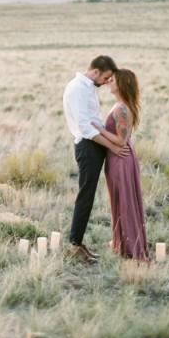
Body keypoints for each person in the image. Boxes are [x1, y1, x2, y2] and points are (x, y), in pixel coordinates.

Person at [62, 55, 129, 264]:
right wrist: (113, 147)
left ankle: (78, 243)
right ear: (96, 72)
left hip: (95, 146)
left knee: (89, 196)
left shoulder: (87, 87)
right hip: (88, 147)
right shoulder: (78, 89)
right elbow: (85, 127)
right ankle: (74, 245)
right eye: (106, 77)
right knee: (86, 195)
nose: (107, 82)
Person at [91, 68, 148, 261]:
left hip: (121, 157)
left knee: (125, 200)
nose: (108, 82)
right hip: (117, 157)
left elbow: (121, 141)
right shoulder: (120, 105)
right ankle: (122, 242)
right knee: (119, 198)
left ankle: (131, 245)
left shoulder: (122, 108)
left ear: (122, 84)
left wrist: (99, 129)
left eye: (112, 80)